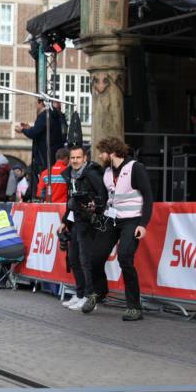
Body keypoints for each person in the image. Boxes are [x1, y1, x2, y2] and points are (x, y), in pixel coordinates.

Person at [84, 137, 154, 321]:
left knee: (125, 258)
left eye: (102, 152)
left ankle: (134, 306)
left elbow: (148, 197)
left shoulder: (135, 168)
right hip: (112, 218)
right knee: (95, 257)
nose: (100, 156)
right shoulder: (107, 172)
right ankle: (99, 292)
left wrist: (143, 224)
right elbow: (107, 198)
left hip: (132, 219)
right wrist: (95, 206)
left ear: (112, 152)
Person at [58, 146, 107, 310]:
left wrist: (95, 207)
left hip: (89, 222)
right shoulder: (71, 175)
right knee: (73, 259)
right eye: (72, 158)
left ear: (84, 158)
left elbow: (103, 196)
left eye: (78, 158)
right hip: (76, 221)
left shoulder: (91, 174)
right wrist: (65, 220)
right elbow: (71, 201)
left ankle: (89, 297)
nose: (75, 161)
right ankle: (80, 294)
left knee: (85, 260)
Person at [18, 99, 66, 199]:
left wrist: (23, 130)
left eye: (36, 103)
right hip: (51, 153)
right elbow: (40, 131)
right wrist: (29, 128)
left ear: (41, 103)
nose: (35, 106)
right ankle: (32, 195)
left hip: (43, 155)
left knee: (35, 174)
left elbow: (35, 133)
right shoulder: (55, 117)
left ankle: (36, 196)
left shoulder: (44, 116)